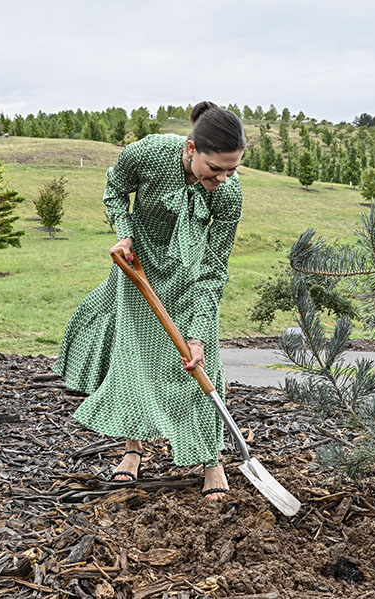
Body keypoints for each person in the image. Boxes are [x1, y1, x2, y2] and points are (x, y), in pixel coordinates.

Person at [54, 102, 245, 501]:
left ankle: (212, 459)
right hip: (139, 268)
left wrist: (198, 336)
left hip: (192, 275)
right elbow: (115, 189)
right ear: (192, 149)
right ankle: (133, 448)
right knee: (135, 359)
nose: (224, 178)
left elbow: (214, 267)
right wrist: (124, 233)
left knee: (199, 367)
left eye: (233, 170)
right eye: (216, 169)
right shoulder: (148, 153)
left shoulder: (229, 192)